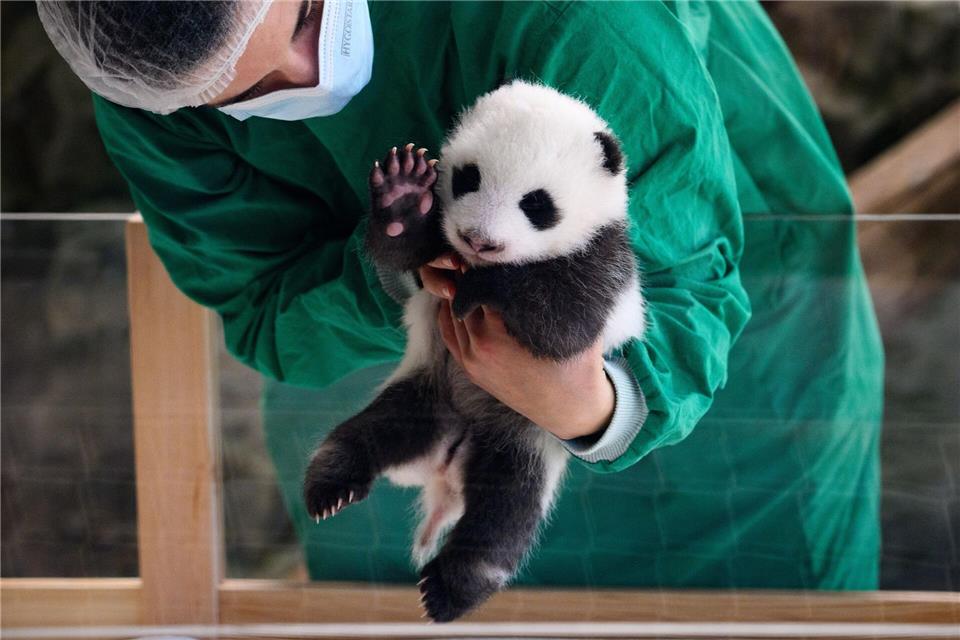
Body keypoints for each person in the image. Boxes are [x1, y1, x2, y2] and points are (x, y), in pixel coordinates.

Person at [38, 0, 884, 589]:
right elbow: (264, 308)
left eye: (301, 17)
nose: (304, 73)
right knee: (423, 573)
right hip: (392, 383)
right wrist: (393, 267)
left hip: (728, 397)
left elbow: (688, 281)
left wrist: (598, 404)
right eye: (250, 95)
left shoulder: (576, 19)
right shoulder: (152, 90)